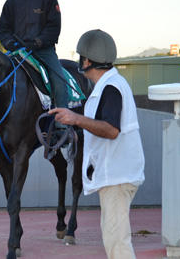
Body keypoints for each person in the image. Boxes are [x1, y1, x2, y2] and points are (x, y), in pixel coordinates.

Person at [49, 29, 145, 259]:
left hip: (117, 176)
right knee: (112, 237)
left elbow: (111, 130)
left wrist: (76, 119)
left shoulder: (111, 88)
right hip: (115, 176)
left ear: (87, 60)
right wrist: (68, 113)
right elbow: (93, 116)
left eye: (81, 56)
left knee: (116, 242)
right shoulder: (107, 86)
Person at [0, 0, 69, 129]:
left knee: (59, 81)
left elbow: (54, 27)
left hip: (43, 51)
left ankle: (62, 126)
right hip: (18, 50)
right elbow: (4, 29)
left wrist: (38, 42)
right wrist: (11, 44)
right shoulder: (11, 2)